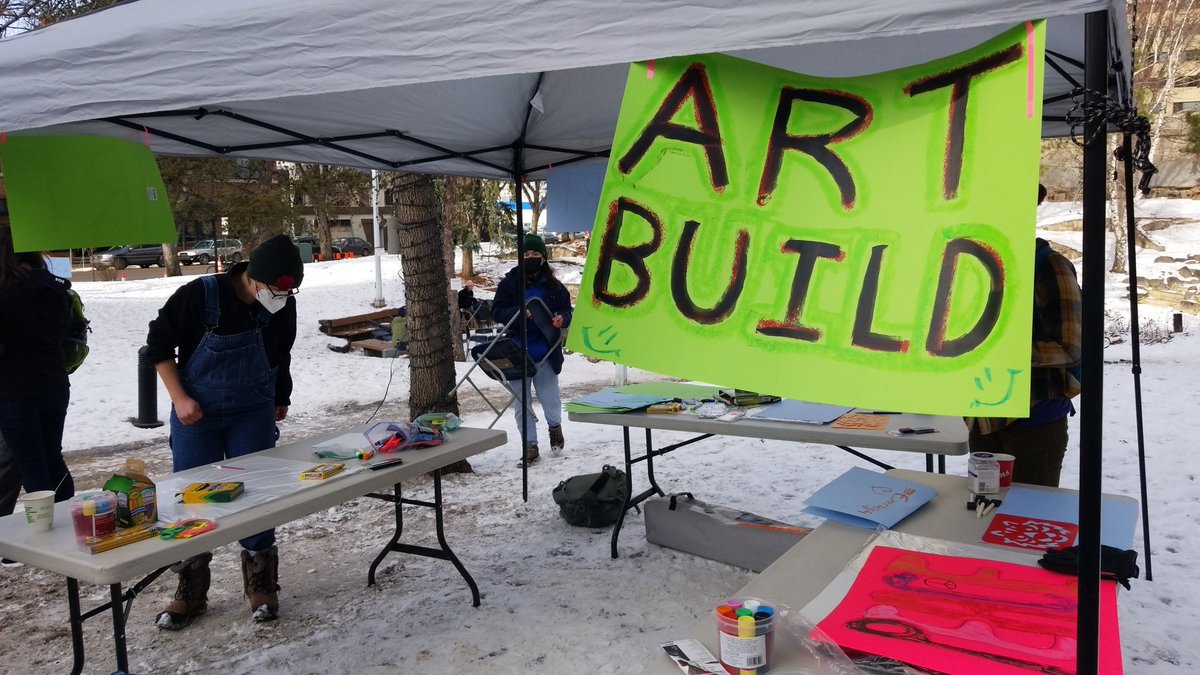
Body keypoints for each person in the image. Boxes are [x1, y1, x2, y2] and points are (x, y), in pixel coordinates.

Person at [145, 234, 303, 628]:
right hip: (197, 412)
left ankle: (261, 582)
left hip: (253, 409)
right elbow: (157, 347)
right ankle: (191, 588)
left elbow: (281, 352)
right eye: (275, 290)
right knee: (194, 499)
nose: (282, 298)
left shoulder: (283, 303)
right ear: (252, 278)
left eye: (290, 291)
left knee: (258, 493)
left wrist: (280, 395)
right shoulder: (199, 296)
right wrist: (180, 398)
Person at [967, 184, 1082, 487]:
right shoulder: (974, 266)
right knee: (986, 513)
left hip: (1034, 422)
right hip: (984, 417)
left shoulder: (1049, 266)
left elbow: (1070, 347)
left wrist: (994, 349)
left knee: (1027, 518)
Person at [0, 224, 76, 514]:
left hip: (14, 392)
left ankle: (46, 532)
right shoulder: (56, 290)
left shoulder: (4, 294)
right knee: (51, 458)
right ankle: (67, 517)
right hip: (54, 384)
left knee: (32, 464)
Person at [491, 234, 572, 466]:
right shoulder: (509, 284)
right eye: (526, 255)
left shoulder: (555, 286)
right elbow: (497, 311)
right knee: (521, 402)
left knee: (549, 397)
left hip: (546, 349)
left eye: (535, 254)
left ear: (544, 258)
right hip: (517, 349)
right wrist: (517, 313)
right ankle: (530, 446)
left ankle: (555, 428)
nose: (530, 258)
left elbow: (567, 310)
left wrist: (561, 319)